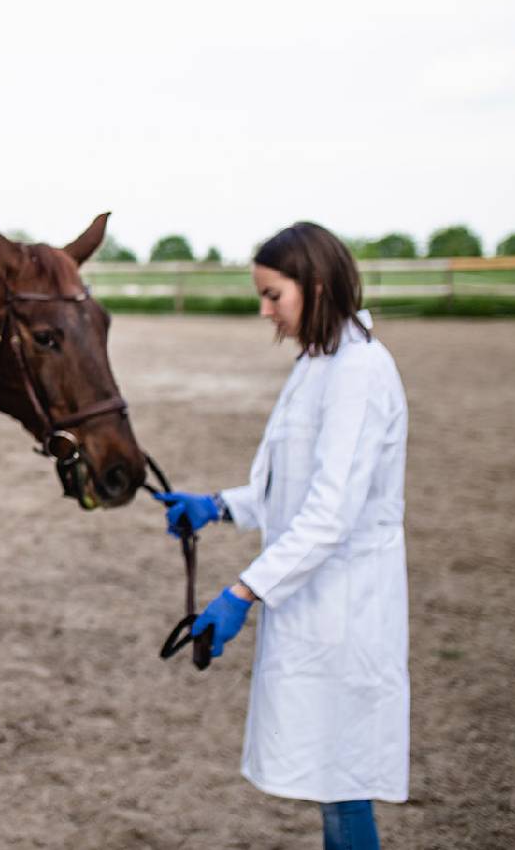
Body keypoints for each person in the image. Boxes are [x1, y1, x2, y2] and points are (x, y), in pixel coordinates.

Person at [153, 222, 408, 850]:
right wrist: (214, 506)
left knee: (342, 778)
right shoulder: (320, 362)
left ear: (316, 286)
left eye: (274, 295)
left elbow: (328, 514)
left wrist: (241, 592)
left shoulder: (358, 371)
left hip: (346, 605)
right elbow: (287, 489)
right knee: (331, 776)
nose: (264, 311)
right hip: (315, 598)